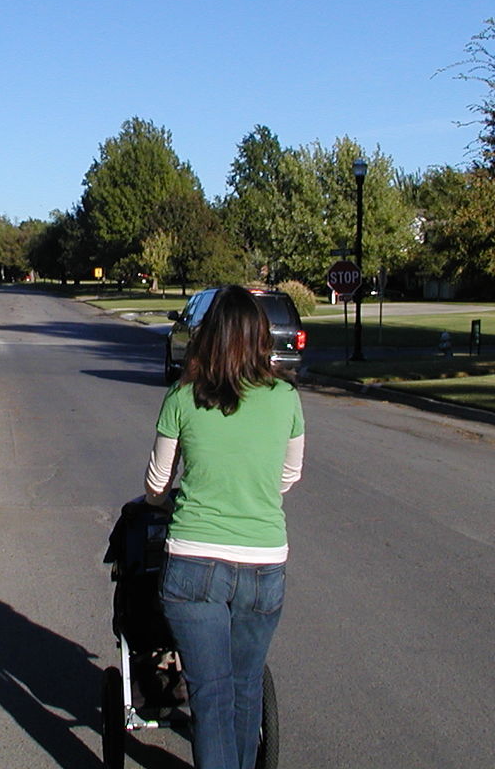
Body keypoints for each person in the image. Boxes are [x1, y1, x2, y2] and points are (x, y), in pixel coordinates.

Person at [143, 284, 305, 769]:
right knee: (244, 687)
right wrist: (251, 492)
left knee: (210, 695)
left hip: (194, 562)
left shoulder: (183, 396)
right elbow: (289, 475)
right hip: (263, 564)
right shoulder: (284, 398)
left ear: (206, 336)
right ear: (260, 337)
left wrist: (165, 498)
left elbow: (156, 483)